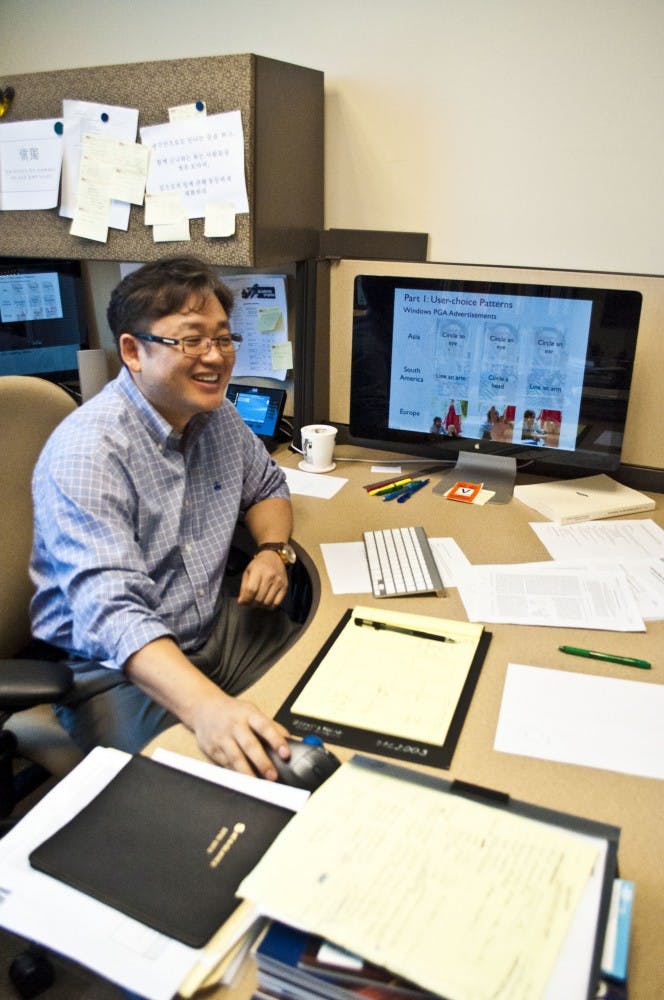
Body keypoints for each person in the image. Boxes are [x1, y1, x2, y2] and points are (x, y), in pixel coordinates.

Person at [30, 256, 299, 780]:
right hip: (118, 671)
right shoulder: (89, 452)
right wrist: (206, 708)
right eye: (191, 340)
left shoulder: (216, 416)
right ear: (132, 350)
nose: (216, 357)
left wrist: (273, 550)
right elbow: (114, 615)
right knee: (202, 792)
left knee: (324, 700)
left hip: (219, 631)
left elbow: (269, 487)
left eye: (223, 339)